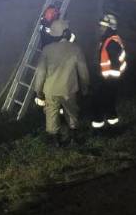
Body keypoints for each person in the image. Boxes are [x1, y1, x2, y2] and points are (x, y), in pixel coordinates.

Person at [33, 19, 90, 147]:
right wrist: (85, 86)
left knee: (51, 113)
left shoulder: (47, 50)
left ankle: (54, 142)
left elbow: (40, 73)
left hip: (50, 90)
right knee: (71, 112)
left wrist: (38, 91)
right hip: (69, 89)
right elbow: (83, 71)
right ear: (66, 33)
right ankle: (74, 138)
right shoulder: (75, 49)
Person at [91, 13, 127, 133]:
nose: (101, 28)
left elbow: (115, 66)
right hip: (109, 80)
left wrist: (107, 81)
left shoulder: (111, 43)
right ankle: (113, 127)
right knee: (109, 104)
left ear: (110, 27)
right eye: (101, 26)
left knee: (99, 103)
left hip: (108, 80)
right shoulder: (108, 40)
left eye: (103, 26)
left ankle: (99, 129)